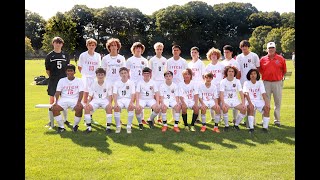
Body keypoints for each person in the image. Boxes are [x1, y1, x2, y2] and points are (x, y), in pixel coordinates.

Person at [45, 36, 70, 129]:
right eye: (56, 42)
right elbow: (47, 70)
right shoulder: (49, 56)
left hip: (64, 81)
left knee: (64, 99)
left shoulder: (65, 55)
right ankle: (51, 121)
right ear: (53, 44)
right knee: (52, 100)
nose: (58, 44)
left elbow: (68, 68)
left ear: (62, 44)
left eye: (60, 43)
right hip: (53, 80)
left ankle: (65, 119)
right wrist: (53, 77)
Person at [259, 42, 287, 127]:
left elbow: (284, 70)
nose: (271, 49)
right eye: (269, 48)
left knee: (277, 101)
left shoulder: (281, 58)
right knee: (265, 102)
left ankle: (277, 120)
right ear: (267, 49)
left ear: (275, 49)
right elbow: (260, 71)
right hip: (266, 82)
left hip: (277, 82)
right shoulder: (263, 59)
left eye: (272, 48)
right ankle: (264, 119)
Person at [51, 64, 84, 133]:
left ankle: (75, 126)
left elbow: (81, 92)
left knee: (80, 107)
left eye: (71, 71)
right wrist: (55, 101)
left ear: (74, 72)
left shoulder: (79, 80)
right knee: (54, 108)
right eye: (68, 71)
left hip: (75, 99)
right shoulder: (62, 80)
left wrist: (79, 102)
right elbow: (57, 92)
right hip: (64, 99)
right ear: (66, 72)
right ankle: (61, 127)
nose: (69, 73)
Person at [236, 40, 260, 125]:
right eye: (242, 46)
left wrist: (255, 80)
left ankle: (252, 121)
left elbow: (258, 68)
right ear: (240, 47)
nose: (244, 48)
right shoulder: (239, 57)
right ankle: (245, 120)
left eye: (245, 46)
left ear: (248, 47)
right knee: (245, 101)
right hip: (243, 82)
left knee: (253, 100)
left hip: (252, 82)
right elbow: (238, 70)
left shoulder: (254, 55)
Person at [77, 38, 101, 124]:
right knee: (85, 97)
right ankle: (85, 118)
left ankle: (90, 116)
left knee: (93, 97)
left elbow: (99, 67)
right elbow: (79, 67)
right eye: (90, 45)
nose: (91, 47)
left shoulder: (97, 55)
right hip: (86, 78)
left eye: (93, 45)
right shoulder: (83, 55)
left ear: (95, 46)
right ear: (87, 46)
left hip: (94, 78)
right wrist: (85, 74)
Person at [83, 68, 113, 134]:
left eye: (102, 74)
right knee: (87, 108)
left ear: (104, 75)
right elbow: (90, 95)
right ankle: (89, 128)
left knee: (109, 108)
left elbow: (110, 95)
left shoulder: (108, 84)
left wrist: (110, 103)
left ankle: (108, 128)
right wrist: (87, 103)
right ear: (96, 75)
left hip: (104, 100)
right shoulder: (93, 83)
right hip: (95, 100)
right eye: (99, 74)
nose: (100, 76)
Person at [126, 42, 149, 125]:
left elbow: (147, 73)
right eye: (136, 48)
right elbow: (127, 73)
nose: (138, 49)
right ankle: (130, 120)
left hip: (142, 84)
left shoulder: (145, 60)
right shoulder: (129, 60)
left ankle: (142, 119)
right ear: (133, 49)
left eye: (140, 48)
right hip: (132, 84)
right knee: (131, 102)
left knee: (141, 101)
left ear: (142, 50)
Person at [243, 69, 270, 133]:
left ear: (257, 75)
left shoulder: (260, 82)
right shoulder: (246, 83)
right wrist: (250, 103)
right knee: (250, 107)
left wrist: (267, 103)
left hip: (259, 100)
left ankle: (265, 128)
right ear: (249, 75)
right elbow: (246, 93)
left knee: (267, 108)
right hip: (250, 100)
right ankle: (251, 128)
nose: (253, 75)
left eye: (254, 74)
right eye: (251, 74)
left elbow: (263, 93)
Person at [219, 66, 246, 131]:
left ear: (234, 73)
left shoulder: (237, 81)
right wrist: (223, 103)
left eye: (232, 71)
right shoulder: (223, 81)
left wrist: (243, 103)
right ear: (226, 72)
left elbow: (241, 92)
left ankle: (236, 125)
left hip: (235, 100)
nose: (231, 73)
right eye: (229, 71)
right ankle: (226, 126)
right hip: (226, 99)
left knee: (244, 109)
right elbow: (221, 94)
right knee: (225, 108)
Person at [221, 45, 241, 125]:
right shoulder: (222, 63)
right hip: (224, 84)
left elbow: (238, 74)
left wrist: (235, 82)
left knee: (234, 99)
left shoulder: (235, 62)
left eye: (227, 52)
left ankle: (235, 118)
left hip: (233, 84)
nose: (226, 54)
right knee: (224, 100)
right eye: (224, 52)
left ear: (231, 53)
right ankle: (223, 118)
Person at [113, 67, 136, 134]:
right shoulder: (117, 83)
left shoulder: (131, 83)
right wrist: (115, 103)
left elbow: (133, 94)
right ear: (120, 74)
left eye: (125, 73)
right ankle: (118, 126)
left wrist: (131, 102)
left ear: (128, 73)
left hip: (128, 99)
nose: (124, 74)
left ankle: (129, 126)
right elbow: (114, 93)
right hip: (120, 99)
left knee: (131, 107)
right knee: (116, 108)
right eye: (122, 73)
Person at [149, 42, 167, 124]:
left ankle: (159, 118)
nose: (159, 51)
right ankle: (152, 118)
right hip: (154, 82)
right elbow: (149, 72)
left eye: (160, 49)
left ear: (162, 50)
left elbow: (166, 72)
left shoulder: (164, 60)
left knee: (160, 99)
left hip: (162, 82)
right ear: (155, 50)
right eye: (157, 49)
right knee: (154, 100)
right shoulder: (152, 60)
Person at [205, 47, 225, 122]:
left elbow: (224, 76)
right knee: (212, 101)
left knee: (220, 102)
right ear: (210, 56)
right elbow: (206, 78)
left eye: (215, 54)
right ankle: (213, 118)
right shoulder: (208, 67)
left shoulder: (222, 66)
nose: (213, 56)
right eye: (212, 54)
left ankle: (221, 117)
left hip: (220, 86)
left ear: (218, 56)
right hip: (211, 86)